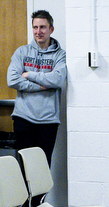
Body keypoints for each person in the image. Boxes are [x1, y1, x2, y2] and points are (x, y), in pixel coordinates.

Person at [7, 10, 67, 165]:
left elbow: (57, 79)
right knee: (24, 168)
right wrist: (41, 87)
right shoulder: (22, 52)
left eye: (42, 27)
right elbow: (12, 80)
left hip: (48, 120)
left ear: (51, 29)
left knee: (41, 169)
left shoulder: (60, 55)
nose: (38, 32)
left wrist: (30, 74)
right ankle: (24, 191)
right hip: (23, 117)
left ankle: (40, 192)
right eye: (35, 27)